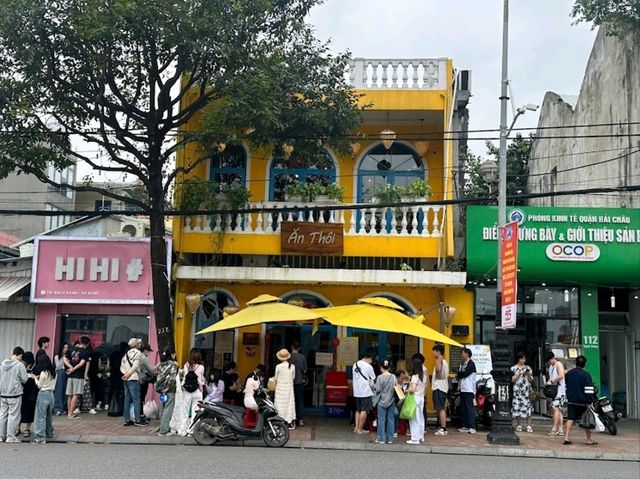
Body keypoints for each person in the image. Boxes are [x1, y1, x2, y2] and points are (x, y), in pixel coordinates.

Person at [563, 355, 596, 446]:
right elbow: (589, 389)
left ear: (575, 363)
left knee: (570, 418)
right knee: (587, 419)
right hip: (583, 401)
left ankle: (567, 437)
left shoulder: (569, 374)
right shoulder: (586, 375)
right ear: (584, 364)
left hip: (571, 400)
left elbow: (566, 386)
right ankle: (589, 439)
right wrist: (589, 401)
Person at [0, 347, 28, 443]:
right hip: (15, 393)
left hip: (3, 393)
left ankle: (1, 436)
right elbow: (24, 379)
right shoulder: (19, 365)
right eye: (21, 356)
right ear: (19, 355)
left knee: (3, 415)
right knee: (13, 415)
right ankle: (10, 437)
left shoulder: (3, 364)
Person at [178, 349, 205, 436]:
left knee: (184, 411)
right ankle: (192, 430)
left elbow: (184, 378)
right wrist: (202, 387)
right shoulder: (201, 367)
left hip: (186, 391)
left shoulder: (186, 365)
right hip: (197, 391)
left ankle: (182, 430)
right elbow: (200, 381)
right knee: (196, 411)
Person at [63, 336, 91, 419]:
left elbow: (64, 358)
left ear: (80, 341)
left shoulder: (72, 349)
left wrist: (70, 367)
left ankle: (69, 412)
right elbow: (81, 364)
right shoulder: (85, 352)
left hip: (70, 376)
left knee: (70, 395)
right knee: (75, 394)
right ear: (88, 343)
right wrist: (73, 369)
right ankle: (70, 414)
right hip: (78, 375)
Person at [154, 347, 179, 437]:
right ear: (172, 354)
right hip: (169, 390)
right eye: (174, 353)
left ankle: (162, 427)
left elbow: (156, 374)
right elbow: (172, 378)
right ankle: (163, 431)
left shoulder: (161, 364)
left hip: (161, 390)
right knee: (168, 409)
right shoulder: (174, 364)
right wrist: (168, 388)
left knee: (163, 409)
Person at [120, 337, 146, 426]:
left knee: (127, 399)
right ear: (136, 345)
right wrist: (129, 374)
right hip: (133, 378)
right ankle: (137, 420)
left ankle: (127, 419)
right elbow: (135, 366)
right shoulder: (138, 353)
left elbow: (122, 367)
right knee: (136, 400)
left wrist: (125, 374)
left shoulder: (126, 354)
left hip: (126, 379)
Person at [33, 354, 56, 443]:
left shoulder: (43, 373)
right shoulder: (54, 372)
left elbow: (39, 386)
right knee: (49, 416)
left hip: (43, 394)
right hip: (51, 395)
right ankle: (49, 433)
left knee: (40, 416)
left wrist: (35, 378)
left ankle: (40, 437)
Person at [352, 350, 375, 434]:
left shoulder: (355, 364)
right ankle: (360, 429)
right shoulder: (368, 367)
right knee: (364, 410)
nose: (372, 362)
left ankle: (356, 428)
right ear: (369, 358)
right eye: (372, 360)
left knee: (358, 410)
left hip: (356, 391)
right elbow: (373, 378)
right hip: (365, 391)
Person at [374, 359, 397, 444]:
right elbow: (396, 387)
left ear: (381, 367)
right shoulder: (393, 377)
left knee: (381, 420)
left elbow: (378, 389)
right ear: (389, 367)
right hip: (391, 401)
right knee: (391, 419)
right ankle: (390, 439)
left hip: (381, 402)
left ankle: (381, 438)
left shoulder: (379, 377)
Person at [406, 354, 427, 444]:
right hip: (421, 398)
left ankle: (415, 438)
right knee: (420, 418)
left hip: (415, 398)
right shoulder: (424, 377)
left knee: (413, 418)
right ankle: (421, 436)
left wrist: (407, 390)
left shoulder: (415, 377)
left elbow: (413, 389)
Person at [511, 351, 534, 432]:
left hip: (526, 391)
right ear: (518, 359)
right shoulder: (513, 368)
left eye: (524, 359)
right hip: (517, 391)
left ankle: (529, 425)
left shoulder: (528, 368)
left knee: (528, 408)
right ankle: (519, 424)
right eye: (522, 359)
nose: (523, 360)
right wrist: (519, 374)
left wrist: (527, 374)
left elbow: (531, 380)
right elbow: (512, 380)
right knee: (517, 407)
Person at [273, 349, 296, 429]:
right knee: (289, 405)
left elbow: (275, 378)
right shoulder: (292, 366)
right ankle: (289, 422)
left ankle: (279, 421)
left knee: (279, 405)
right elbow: (293, 377)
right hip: (289, 388)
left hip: (280, 388)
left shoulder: (278, 366)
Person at [457, 347, 477, 434]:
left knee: (469, 408)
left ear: (467, 354)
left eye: (462, 353)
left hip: (469, 389)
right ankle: (465, 425)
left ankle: (472, 426)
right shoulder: (463, 363)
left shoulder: (471, 364)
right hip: (463, 388)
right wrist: (459, 374)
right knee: (464, 408)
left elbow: (464, 374)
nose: (461, 354)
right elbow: (460, 374)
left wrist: (459, 374)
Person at [546, 351, 566, 436]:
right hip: (555, 390)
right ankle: (560, 429)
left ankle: (554, 429)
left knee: (555, 408)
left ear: (552, 358)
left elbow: (561, 375)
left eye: (549, 361)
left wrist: (552, 381)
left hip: (560, 390)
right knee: (558, 409)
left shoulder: (558, 364)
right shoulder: (551, 366)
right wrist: (549, 381)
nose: (549, 362)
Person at [431, 344, 449, 436]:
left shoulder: (438, 360)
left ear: (438, 352)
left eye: (433, 351)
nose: (432, 353)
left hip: (439, 387)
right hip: (443, 387)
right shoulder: (445, 361)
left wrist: (438, 375)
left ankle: (443, 428)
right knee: (440, 408)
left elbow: (438, 371)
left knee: (440, 408)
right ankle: (442, 427)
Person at [19, 351, 38, 438]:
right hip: (22, 390)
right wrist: (30, 376)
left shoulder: (36, 367)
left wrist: (33, 376)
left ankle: (27, 428)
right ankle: (17, 428)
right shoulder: (21, 366)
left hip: (32, 391)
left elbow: (38, 377)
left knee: (30, 409)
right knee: (19, 409)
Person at [289, 342, 307, 427]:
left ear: (291, 347)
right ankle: (301, 420)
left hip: (290, 383)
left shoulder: (288, 357)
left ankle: (292, 420)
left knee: (291, 401)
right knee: (300, 401)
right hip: (299, 382)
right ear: (299, 348)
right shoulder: (302, 357)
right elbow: (305, 370)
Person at [137, 343, 155, 422]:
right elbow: (151, 370)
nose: (149, 353)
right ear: (145, 350)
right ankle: (141, 415)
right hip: (143, 380)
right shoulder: (144, 358)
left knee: (138, 398)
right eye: (148, 351)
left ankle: (138, 414)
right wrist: (159, 365)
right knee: (141, 398)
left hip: (137, 379)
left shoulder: (138, 356)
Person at [53, 343, 69, 416]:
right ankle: (57, 408)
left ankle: (62, 408)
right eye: (64, 347)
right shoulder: (57, 356)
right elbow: (58, 366)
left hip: (67, 374)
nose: (66, 349)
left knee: (65, 392)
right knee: (58, 391)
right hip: (59, 373)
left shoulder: (68, 356)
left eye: (67, 348)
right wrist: (63, 359)